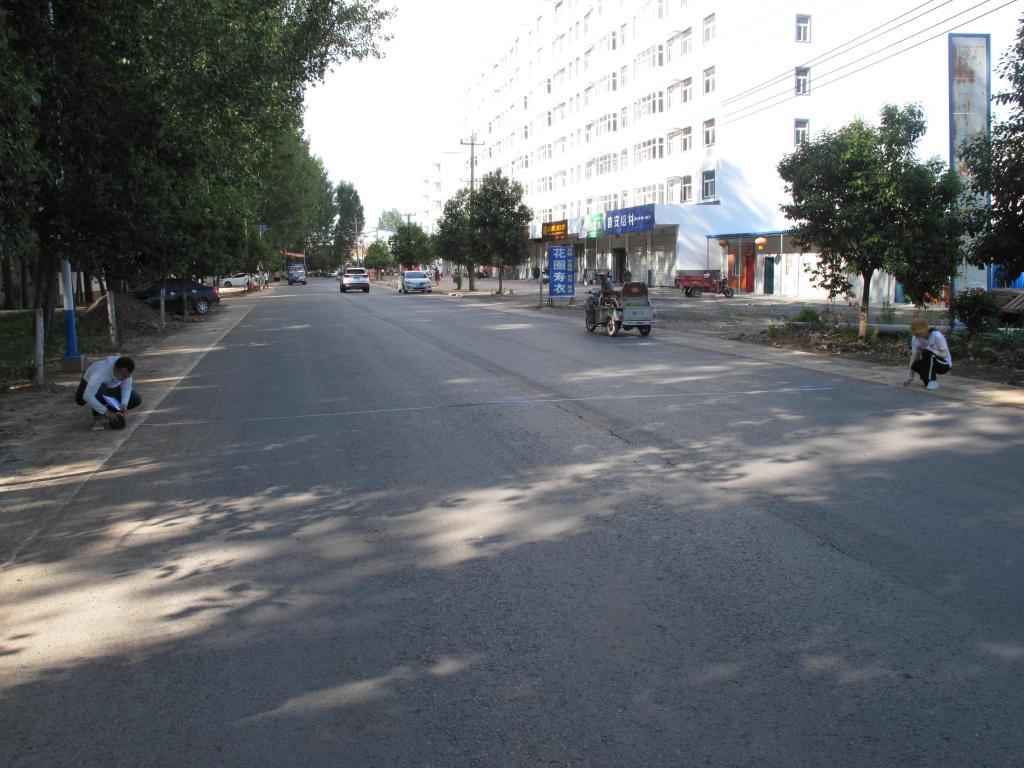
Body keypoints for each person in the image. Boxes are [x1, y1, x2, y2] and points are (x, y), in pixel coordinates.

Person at [74, 355, 142, 430]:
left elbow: (126, 388)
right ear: (116, 369)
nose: (125, 379)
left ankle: (113, 413)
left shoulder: (126, 369)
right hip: (91, 387)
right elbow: (88, 396)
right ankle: (98, 416)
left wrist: (124, 404)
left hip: (111, 387)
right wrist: (106, 412)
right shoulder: (100, 372)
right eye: (123, 376)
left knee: (136, 399)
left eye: (127, 376)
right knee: (99, 389)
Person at [903, 317, 952, 390]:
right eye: (915, 333)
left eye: (918, 333)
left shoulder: (937, 336)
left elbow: (944, 354)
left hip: (944, 364)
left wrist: (927, 348)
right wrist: (909, 377)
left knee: (926, 352)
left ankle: (931, 380)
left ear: (925, 330)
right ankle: (929, 381)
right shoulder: (915, 339)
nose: (916, 335)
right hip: (930, 363)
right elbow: (914, 357)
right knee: (915, 364)